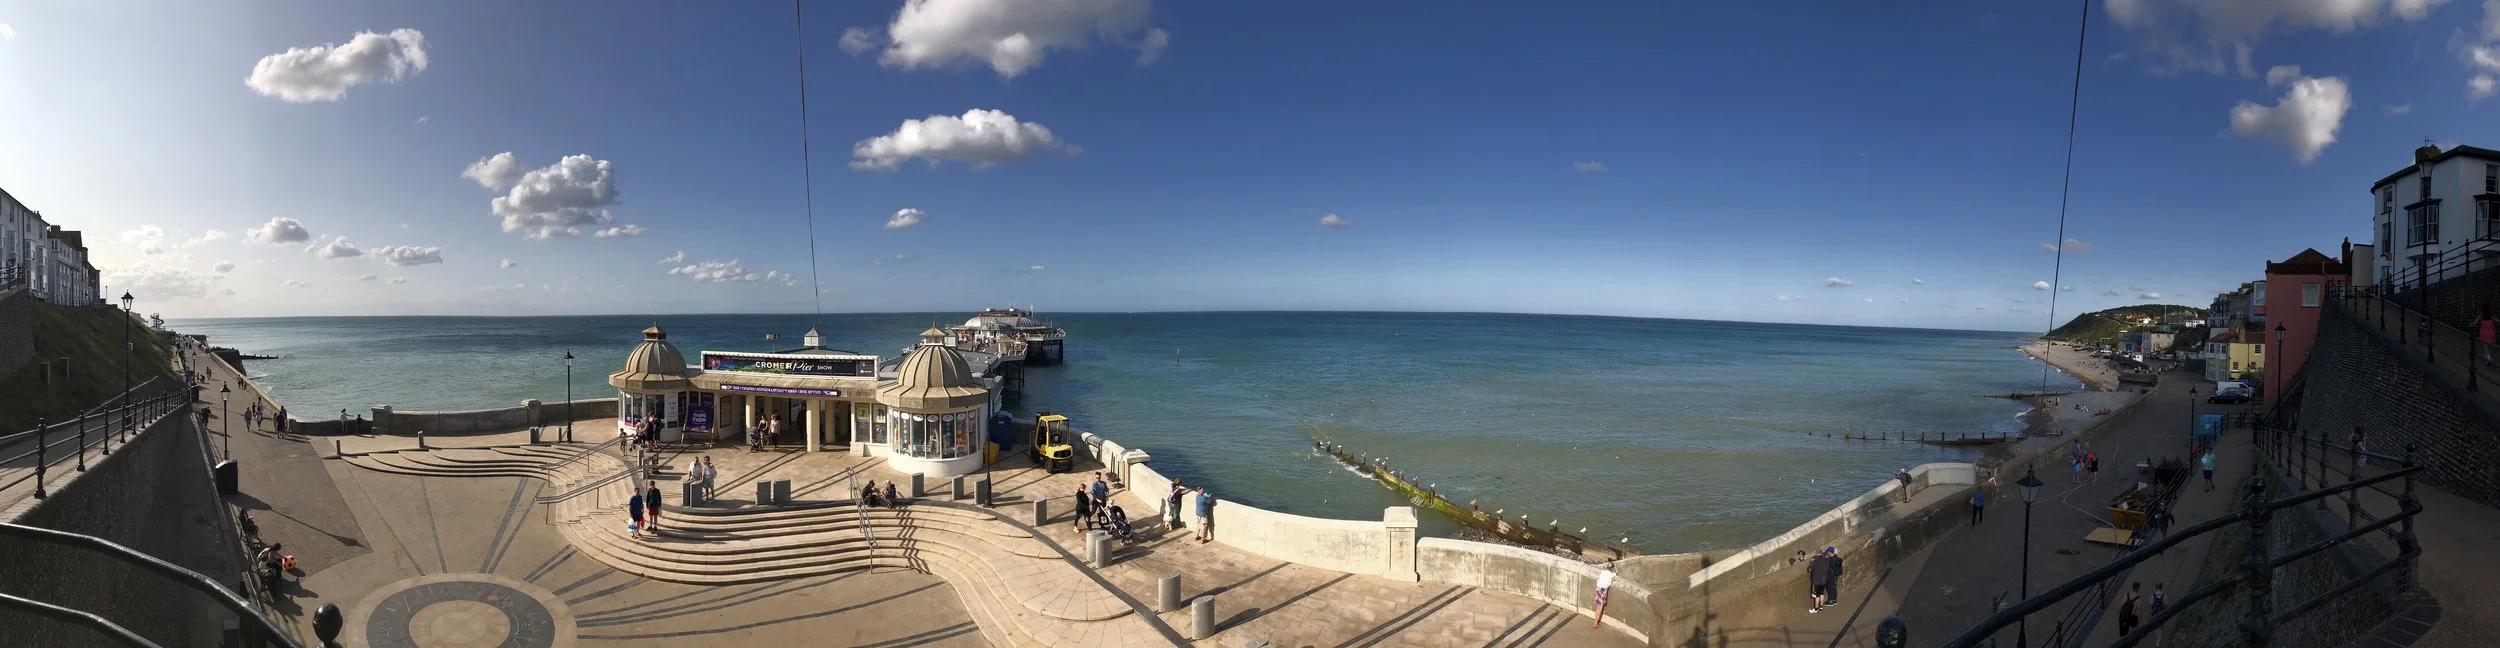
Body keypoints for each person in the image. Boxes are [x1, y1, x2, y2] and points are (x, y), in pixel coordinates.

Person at [1591, 560, 1617, 629]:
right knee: (1600, 608)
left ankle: (1595, 621)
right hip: (1603, 590)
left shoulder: (1603, 572)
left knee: (1597, 607)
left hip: (1598, 588)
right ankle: (1595, 623)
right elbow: (1616, 573)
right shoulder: (1612, 574)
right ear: (1612, 568)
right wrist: (1616, 569)